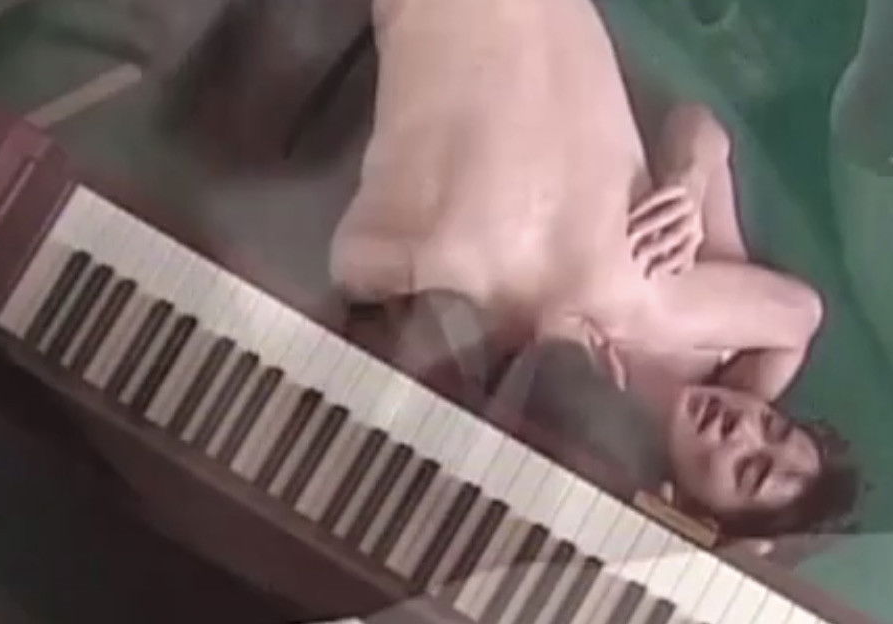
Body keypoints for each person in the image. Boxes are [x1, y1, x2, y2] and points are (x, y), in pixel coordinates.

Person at [331, 0, 858, 536]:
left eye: (748, 469)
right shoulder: (704, 329)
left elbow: (363, 272)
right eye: (770, 423)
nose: (743, 429)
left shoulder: (534, 400)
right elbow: (801, 310)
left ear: (693, 513)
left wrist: (567, 355)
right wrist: (689, 181)